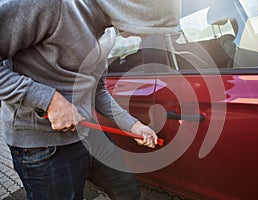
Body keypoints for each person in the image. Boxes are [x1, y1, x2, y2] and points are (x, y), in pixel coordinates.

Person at [0, 0, 181, 199]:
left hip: (88, 135)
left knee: (127, 192)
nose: (145, 36)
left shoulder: (108, 33)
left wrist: (133, 125)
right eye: (152, 26)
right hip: (41, 147)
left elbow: (98, 90)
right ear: (136, 8)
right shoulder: (53, 5)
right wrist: (49, 100)